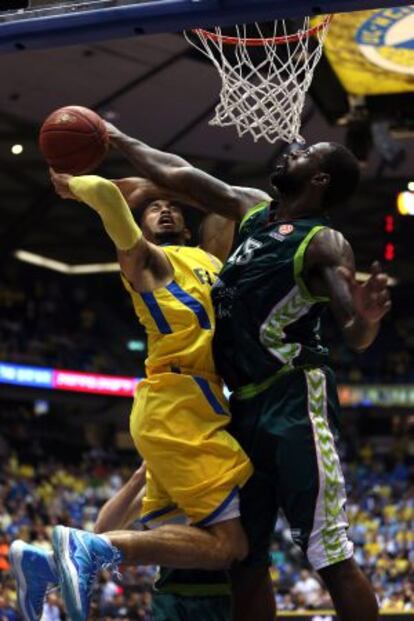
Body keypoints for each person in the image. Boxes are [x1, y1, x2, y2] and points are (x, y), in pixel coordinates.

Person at [91, 128, 391, 621]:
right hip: (242, 405)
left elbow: (355, 331)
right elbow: (177, 172)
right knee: (244, 558)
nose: (291, 150)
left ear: (317, 177)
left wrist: (367, 319)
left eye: (304, 153)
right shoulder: (253, 209)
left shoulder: (324, 242)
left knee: (328, 554)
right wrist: (117, 137)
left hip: (294, 396)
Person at [10, 172, 258, 621]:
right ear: (140, 229)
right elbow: (107, 197)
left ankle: (45, 564)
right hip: (180, 401)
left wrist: (169, 186)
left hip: (187, 406)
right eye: (152, 209)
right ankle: (90, 548)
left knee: (179, 530)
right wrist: (76, 184)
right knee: (230, 545)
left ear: (186, 223)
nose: (164, 210)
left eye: (173, 209)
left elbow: (227, 204)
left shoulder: (210, 261)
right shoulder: (148, 262)